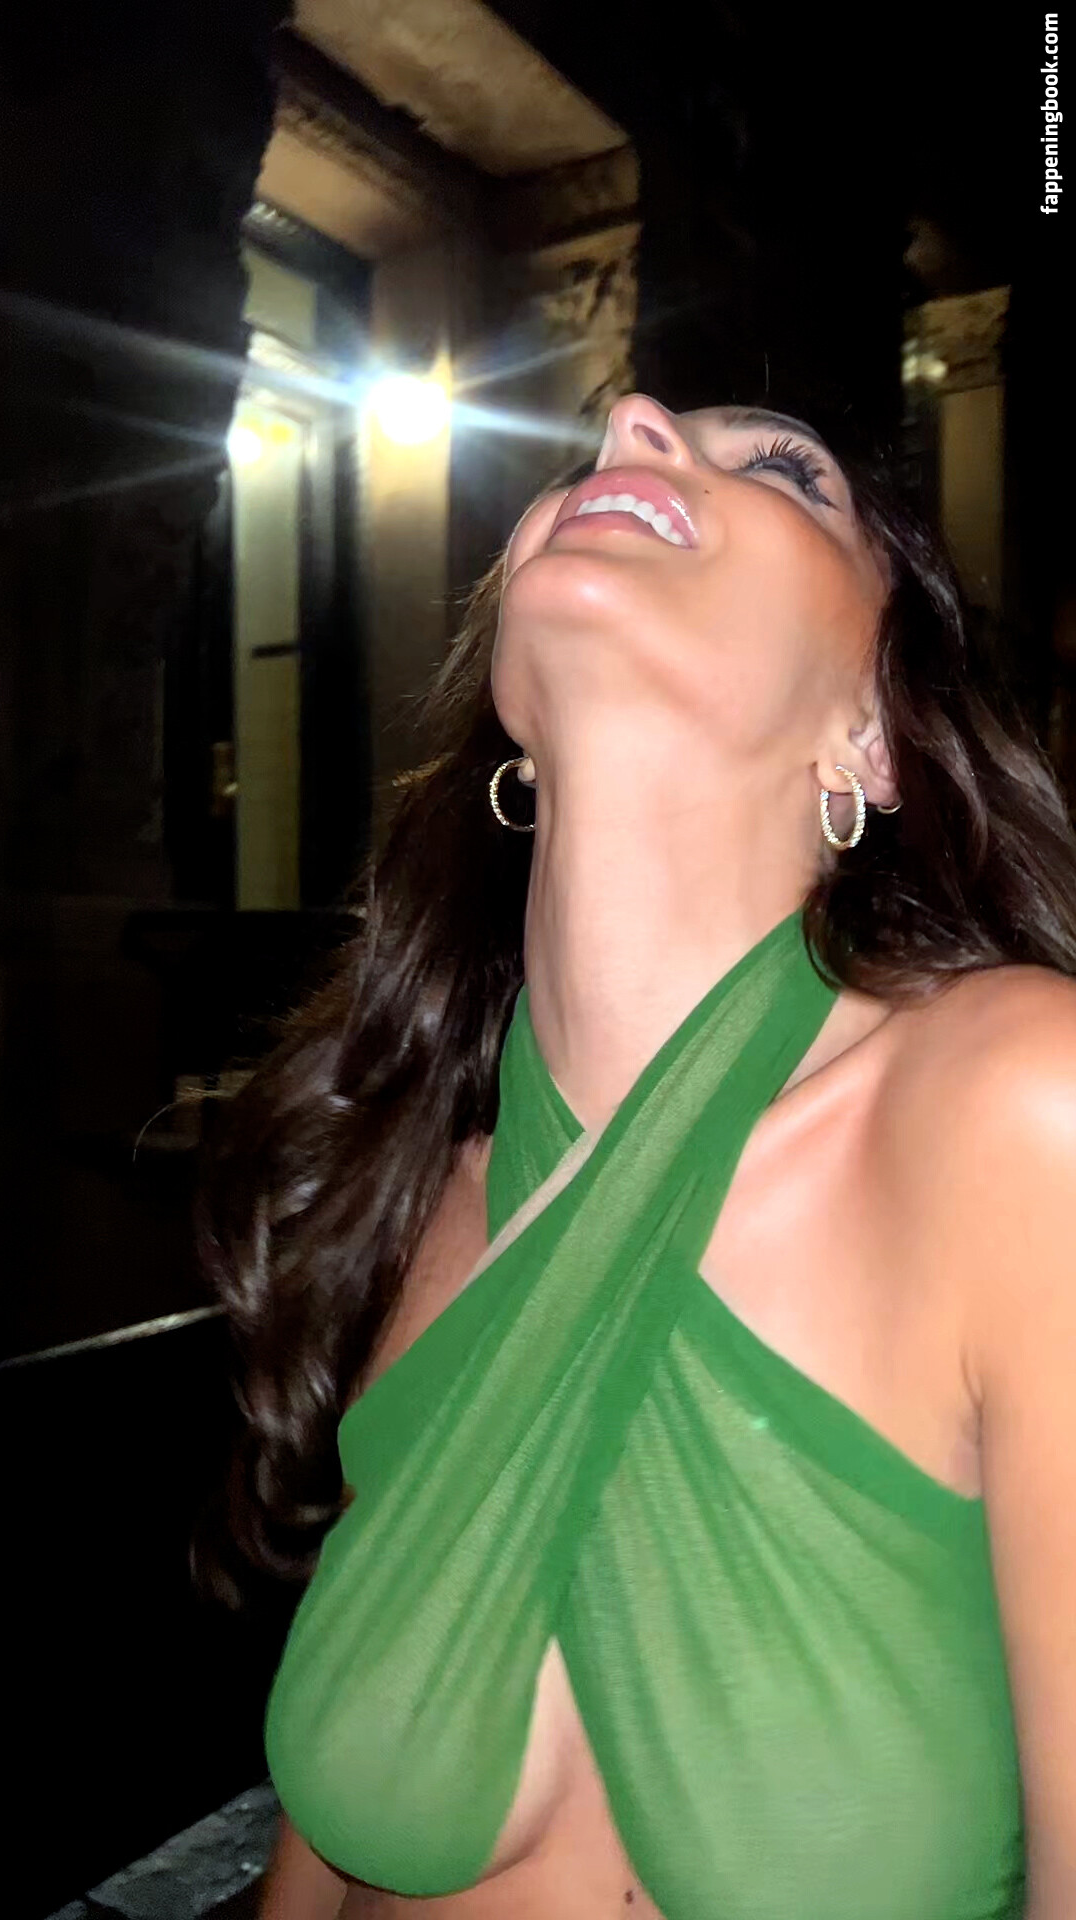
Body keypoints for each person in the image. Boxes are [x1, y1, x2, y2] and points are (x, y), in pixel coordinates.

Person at [203, 394, 1076, 1920]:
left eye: (784, 470)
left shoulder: (1020, 1110)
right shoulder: (428, 1198)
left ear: (872, 734)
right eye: (597, 453)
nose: (631, 422)